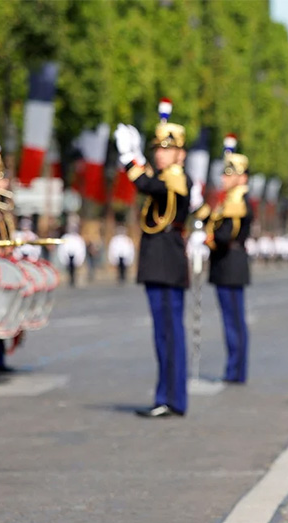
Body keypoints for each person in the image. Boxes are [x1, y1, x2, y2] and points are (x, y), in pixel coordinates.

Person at [115, 99, 202, 418]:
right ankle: (169, 396)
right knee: (164, 332)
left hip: (166, 261)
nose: (160, 153)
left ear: (180, 153)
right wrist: (138, 158)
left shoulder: (176, 177)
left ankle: (170, 398)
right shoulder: (169, 176)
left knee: (168, 332)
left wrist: (129, 159)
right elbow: (152, 184)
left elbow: (146, 184)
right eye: (157, 148)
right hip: (161, 260)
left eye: (166, 149)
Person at [202, 135, 252, 384]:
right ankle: (235, 369)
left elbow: (223, 234)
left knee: (233, 322)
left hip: (230, 263)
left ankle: (235, 370)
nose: (224, 178)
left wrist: (207, 238)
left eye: (229, 174)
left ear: (241, 177)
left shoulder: (237, 201)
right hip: (229, 264)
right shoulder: (232, 201)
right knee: (232, 320)